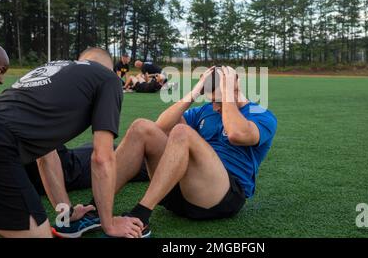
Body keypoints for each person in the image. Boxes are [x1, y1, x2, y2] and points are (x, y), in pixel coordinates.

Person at [62, 66, 277, 238]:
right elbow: (161, 127)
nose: (213, 107)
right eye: (210, 99)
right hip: (181, 191)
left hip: (221, 197)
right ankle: (95, 207)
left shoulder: (261, 114)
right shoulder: (205, 110)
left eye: (216, 100)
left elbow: (236, 134)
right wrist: (195, 91)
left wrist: (227, 93)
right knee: (141, 127)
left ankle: (141, 215)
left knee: (183, 132)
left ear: (234, 90)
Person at [0, 48, 143, 238]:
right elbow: (102, 158)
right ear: (109, 69)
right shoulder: (107, 78)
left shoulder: (50, 70)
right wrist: (109, 223)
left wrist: (66, 213)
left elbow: (46, 156)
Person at [25, 143, 149, 196]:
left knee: (94, 148)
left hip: (51, 164)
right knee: (119, 156)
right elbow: (46, 157)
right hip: (63, 168)